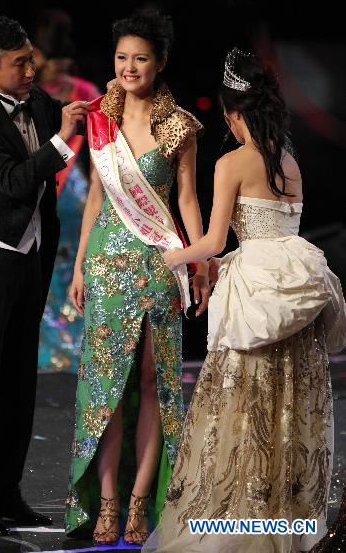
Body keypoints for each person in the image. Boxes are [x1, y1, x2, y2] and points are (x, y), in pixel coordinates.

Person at [143, 47, 346, 552]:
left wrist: (168, 257)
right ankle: (288, 524)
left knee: (243, 407)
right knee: (289, 405)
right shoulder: (290, 161)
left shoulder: (233, 162)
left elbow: (214, 244)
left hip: (256, 293)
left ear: (234, 113)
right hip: (296, 286)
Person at [65, 7, 209, 545]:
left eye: (140, 58)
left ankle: (139, 502)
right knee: (107, 386)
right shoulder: (101, 116)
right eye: (122, 57)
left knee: (151, 383)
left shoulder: (180, 127)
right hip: (106, 262)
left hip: (157, 264)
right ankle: (104, 502)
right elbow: (97, 197)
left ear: (161, 62)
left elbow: (189, 201)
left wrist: (198, 261)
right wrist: (80, 262)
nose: (129, 67)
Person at [0, 15, 88, 536]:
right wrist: (61, 140)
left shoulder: (41, 104)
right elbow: (10, 181)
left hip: (31, 256)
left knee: (19, 384)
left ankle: (9, 492)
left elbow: (82, 115)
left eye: (31, 58)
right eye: (19, 63)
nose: (32, 70)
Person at [32, 8, 101, 372]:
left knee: (74, 261)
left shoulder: (83, 92)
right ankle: (55, 349)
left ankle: (72, 346)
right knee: (51, 262)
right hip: (52, 183)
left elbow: (100, 145)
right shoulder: (38, 93)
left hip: (71, 185)